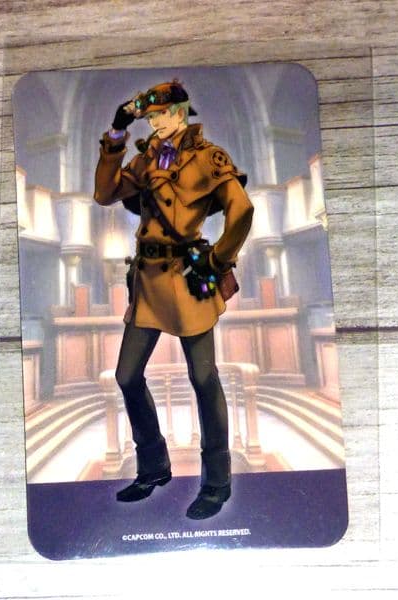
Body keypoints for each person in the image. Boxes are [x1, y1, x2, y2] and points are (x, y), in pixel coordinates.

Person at [94, 80, 254, 519]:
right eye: (148, 118)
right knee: (127, 376)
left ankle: (217, 482)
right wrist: (116, 134)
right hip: (147, 281)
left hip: (187, 280)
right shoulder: (146, 159)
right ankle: (153, 467)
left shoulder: (208, 157)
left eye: (160, 115)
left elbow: (242, 210)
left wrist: (218, 261)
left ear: (180, 113)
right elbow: (105, 194)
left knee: (203, 379)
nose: (154, 123)